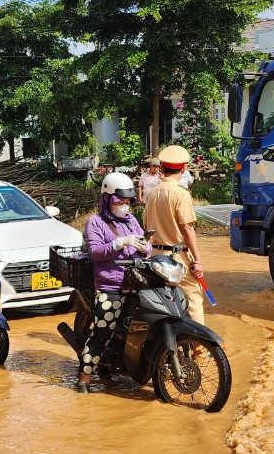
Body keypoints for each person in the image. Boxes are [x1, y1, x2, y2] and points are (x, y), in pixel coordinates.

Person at [77, 173, 150, 391]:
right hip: (111, 286)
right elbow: (97, 252)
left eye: (128, 202)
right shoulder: (95, 223)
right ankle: (84, 379)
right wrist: (119, 243)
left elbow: (145, 246)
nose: (124, 206)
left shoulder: (132, 221)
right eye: (120, 202)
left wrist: (145, 247)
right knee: (103, 331)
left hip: (136, 282)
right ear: (107, 199)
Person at [142, 145, 206, 324]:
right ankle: (199, 349)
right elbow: (187, 229)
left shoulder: (152, 195)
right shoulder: (181, 194)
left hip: (156, 257)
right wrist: (198, 261)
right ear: (184, 169)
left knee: (163, 301)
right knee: (193, 299)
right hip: (177, 259)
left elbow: (146, 227)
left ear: (161, 168)